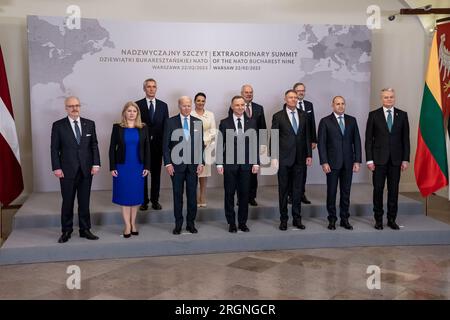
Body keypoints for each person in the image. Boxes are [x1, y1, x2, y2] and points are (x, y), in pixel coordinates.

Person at [51, 96, 100, 243]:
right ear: (66, 108)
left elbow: (94, 145)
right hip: (66, 170)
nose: (75, 108)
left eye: (77, 105)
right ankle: (66, 231)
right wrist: (57, 167)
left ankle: (85, 230)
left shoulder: (89, 124)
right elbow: (54, 149)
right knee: (68, 202)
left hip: (86, 169)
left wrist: (96, 163)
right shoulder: (58, 125)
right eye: (71, 106)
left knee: (84, 202)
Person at [365, 88, 410, 230]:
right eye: (386, 97)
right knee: (378, 190)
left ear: (394, 98)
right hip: (378, 161)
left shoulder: (402, 115)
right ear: (381, 98)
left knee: (393, 191)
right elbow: (368, 140)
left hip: (396, 161)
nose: (389, 99)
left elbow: (405, 140)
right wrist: (369, 160)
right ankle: (378, 220)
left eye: (391, 97)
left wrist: (405, 159)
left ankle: (391, 219)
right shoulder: (374, 115)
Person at [317, 96, 361, 230]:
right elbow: (322, 144)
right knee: (331, 192)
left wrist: (357, 160)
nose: (340, 106)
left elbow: (357, 142)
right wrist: (324, 162)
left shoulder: (352, 120)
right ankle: (332, 219)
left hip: (348, 163)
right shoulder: (325, 121)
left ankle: (344, 219)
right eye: (338, 104)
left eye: (342, 104)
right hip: (332, 163)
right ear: (332, 105)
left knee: (346, 192)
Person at [271, 90, 312, 231]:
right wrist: (274, 157)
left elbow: (307, 136)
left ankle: (297, 219)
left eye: (295, 97)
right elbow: (274, 137)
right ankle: (283, 220)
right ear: (285, 99)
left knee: (297, 190)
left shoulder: (304, 115)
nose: (293, 99)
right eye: (290, 97)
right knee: (283, 191)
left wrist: (309, 155)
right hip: (283, 159)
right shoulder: (278, 116)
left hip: (300, 159)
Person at [163, 96, 204, 234]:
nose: (187, 108)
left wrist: (201, 162)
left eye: (188, 105)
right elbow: (165, 145)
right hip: (176, 166)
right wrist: (168, 163)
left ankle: (191, 223)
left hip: (193, 166)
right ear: (179, 106)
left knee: (192, 196)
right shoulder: (170, 122)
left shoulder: (197, 122)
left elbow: (200, 145)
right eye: (184, 105)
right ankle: (178, 224)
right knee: (177, 196)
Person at [218, 96, 260, 233]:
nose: (240, 107)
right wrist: (219, 163)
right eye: (237, 105)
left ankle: (242, 222)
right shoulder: (224, 123)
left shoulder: (252, 122)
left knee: (244, 194)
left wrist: (256, 162)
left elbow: (255, 143)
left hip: (246, 165)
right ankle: (231, 223)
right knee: (229, 194)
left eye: (242, 105)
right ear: (232, 106)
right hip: (229, 165)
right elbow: (220, 144)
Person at [109, 102, 150, 238]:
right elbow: (111, 149)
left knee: (136, 197)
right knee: (125, 196)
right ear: (124, 113)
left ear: (137, 113)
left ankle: (133, 223)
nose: (132, 113)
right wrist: (113, 167)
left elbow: (147, 149)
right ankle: (127, 225)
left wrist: (147, 167)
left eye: (134, 111)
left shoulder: (143, 128)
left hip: (138, 166)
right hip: (122, 167)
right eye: (129, 111)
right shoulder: (117, 128)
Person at [229, 85, 266, 206]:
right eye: (246, 92)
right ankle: (241, 197)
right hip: (239, 147)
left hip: (253, 146)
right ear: (241, 93)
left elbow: (262, 128)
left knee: (253, 173)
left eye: (251, 92)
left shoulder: (259, 108)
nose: (249, 94)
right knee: (241, 174)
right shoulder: (235, 107)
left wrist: (262, 145)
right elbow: (231, 125)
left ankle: (251, 197)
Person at [136, 78, 169, 211]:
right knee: (142, 174)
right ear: (144, 89)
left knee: (156, 174)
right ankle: (143, 201)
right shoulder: (137, 105)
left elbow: (166, 127)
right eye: (148, 86)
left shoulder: (163, 105)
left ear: (156, 88)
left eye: (154, 86)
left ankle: (155, 200)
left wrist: (165, 145)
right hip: (142, 145)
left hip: (157, 146)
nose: (151, 89)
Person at [288, 82, 317, 205]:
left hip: (306, 143)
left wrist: (314, 140)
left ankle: (301, 193)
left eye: (303, 90)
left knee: (303, 170)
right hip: (293, 145)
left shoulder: (309, 105)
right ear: (294, 92)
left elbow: (312, 123)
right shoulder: (289, 105)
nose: (301, 92)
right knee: (292, 170)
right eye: (299, 90)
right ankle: (291, 194)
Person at [191, 92, 216, 208]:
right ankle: (195, 196)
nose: (200, 102)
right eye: (198, 100)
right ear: (194, 101)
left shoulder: (210, 114)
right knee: (193, 173)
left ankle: (202, 195)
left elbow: (213, 130)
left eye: (203, 101)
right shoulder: (190, 113)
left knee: (203, 174)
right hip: (191, 147)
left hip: (206, 147)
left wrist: (204, 142)